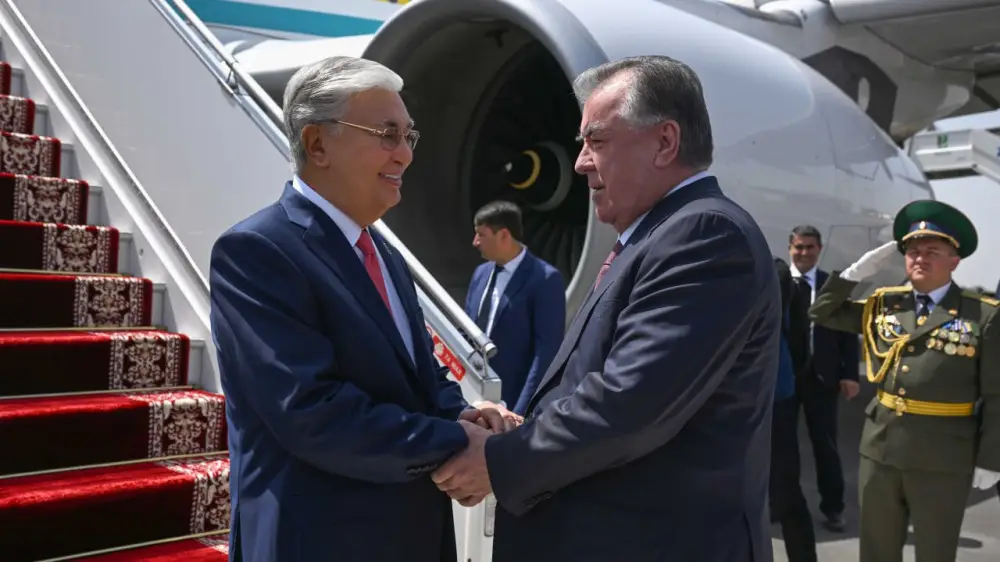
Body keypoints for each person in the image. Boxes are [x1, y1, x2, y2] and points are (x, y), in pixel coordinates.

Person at [431, 55, 780, 562]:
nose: (579, 163)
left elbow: (630, 404)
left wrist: (501, 460)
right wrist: (524, 427)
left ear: (665, 142)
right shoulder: (658, 236)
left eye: (596, 141)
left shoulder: (703, 235)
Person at [209, 56, 514, 562]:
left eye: (409, 136)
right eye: (387, 134)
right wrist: (454, 442)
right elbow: (312, 412)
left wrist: (465, 414)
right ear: (317, 144)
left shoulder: (384, 254)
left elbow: (418, 375)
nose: (405, 155)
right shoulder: (257, 251)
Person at [809, 200, 1000, 562]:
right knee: (876, 551)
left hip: (943, 457)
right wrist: (853, 274)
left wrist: (992, 458)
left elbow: (997, 395)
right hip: (880, 451)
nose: (919, 258)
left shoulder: (983, 315)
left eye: (932, 252)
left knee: (934, 552)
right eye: (913, 251)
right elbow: (822, 312)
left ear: (954, 260)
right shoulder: (886, 305)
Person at [785, 225, 859, 532]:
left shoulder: (832, 286)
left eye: (810, 247)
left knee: (826, 445)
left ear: (819, 249)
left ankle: (833, 508)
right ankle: (779, 504)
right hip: (784, 378)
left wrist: (850, 374)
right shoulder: (776, 283)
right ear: (790, 248)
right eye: (799, 247)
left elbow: (848, 334)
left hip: (822, 377)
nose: (804, 253)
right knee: (781, 446)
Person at [464, 200, 565, 414]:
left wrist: (521, 412)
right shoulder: (480, 274)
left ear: (504, 236)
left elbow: (545, 354)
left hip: (512, 404)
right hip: (471, 398)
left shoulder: (545, 279)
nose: (475, 242)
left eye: (481, 235)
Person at [771, 257, 818, 562]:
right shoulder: (785, 284)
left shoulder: (769, 277)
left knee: (784, 489)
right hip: (780, 396)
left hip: (770, 398)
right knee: (787, 488)